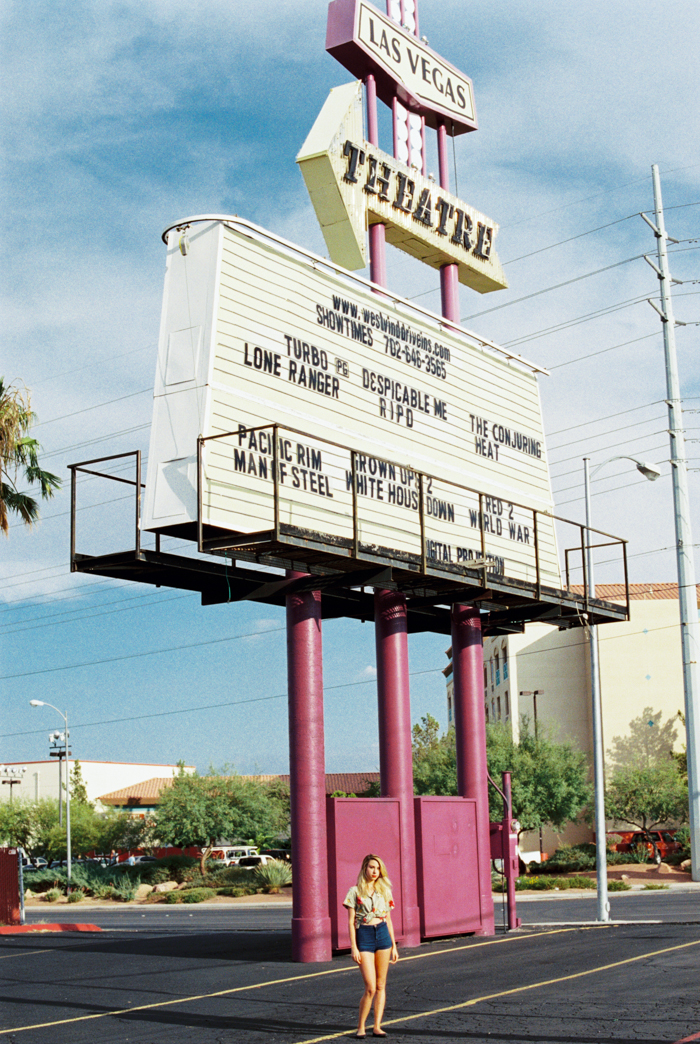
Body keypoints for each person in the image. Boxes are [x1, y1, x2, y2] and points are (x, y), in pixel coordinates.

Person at [343, 853, 399, 1039]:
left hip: (383, 934)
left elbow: (389, 920)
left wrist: (394, 946)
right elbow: (351, 922)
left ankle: (377, 1026)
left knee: (381, 985)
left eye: (377, 868)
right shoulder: (354, 891)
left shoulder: (385, 890)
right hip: (364, 936)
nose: (375, 871)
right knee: (370, 987)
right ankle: (360, 1027)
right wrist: (354, 947)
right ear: (364, 868)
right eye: (371, 867)